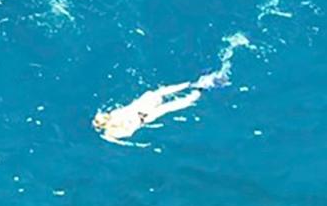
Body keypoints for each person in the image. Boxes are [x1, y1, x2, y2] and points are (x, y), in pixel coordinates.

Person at [93, 62, 231, 145]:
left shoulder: (112, 132)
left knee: (174, 105)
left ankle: (201, 89)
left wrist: (108, 137)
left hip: (144, 116)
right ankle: (193, 84)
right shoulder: (114, 114)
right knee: (159, 93)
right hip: (142, 105)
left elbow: (129, 133)